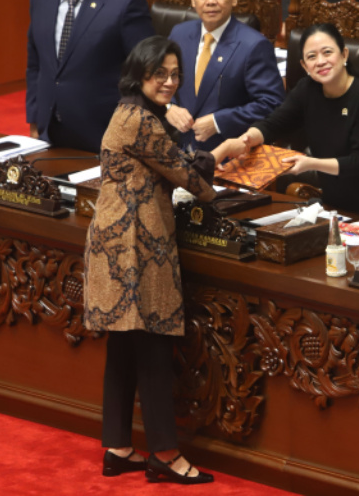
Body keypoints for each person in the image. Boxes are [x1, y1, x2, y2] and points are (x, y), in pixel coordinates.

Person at [83, 36, 242, 484]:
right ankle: (166, 456)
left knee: (123, 345)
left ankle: (116, 447)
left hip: (116, 243)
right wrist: (222, 159)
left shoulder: (130, 113)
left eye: (175, 74)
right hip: (135, 250)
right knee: (152, 346)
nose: (170, 82)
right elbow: (187, 173)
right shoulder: (140, 122)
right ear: (140, 75)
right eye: (161, 75)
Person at [230, 23, 359, 222]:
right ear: (303, 65)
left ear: (344, 55)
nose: (320, 61)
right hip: (336, 208)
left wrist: (310, 164)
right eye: (311, 57)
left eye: (327, 52)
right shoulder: (307, 90)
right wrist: (249, 138)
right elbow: (273, 124)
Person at [26, 0, 155, 152]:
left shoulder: (125, 2)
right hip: (50, 131)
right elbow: (36, 63)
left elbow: (146, 72)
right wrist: (34, 120)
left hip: (103, 135)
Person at [166, 0, 284, 152]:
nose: (211, 1)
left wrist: (218, 121)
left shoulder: (253, 45)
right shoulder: (179, 34)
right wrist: (169, 108)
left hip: (229, 157)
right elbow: (159, 81)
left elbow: (272, 103)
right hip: (181, 152)